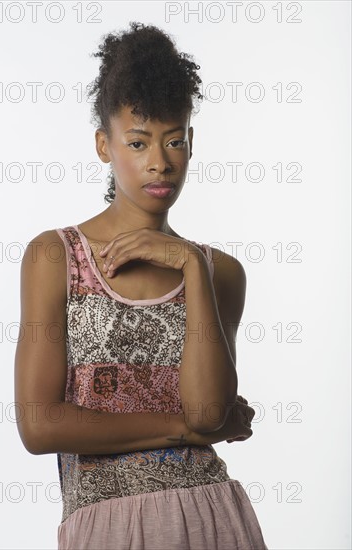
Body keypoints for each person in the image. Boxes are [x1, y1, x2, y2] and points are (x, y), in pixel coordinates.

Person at [14, 21, 268, 550]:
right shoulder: (55, 256)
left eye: (174, 140)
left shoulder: (220, 272)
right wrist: (187, 430)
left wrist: (191, 267)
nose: (160, 161)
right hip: (105, 525)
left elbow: (207, 414)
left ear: (191, 143)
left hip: (212, 517)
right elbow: (40, 425)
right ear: (104, 146)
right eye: (137, 141)